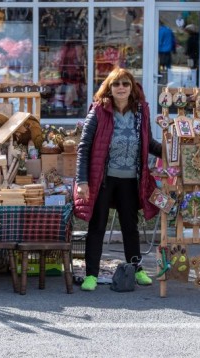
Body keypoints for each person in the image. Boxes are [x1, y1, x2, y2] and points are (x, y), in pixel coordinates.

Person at [74, 67, 162, 291]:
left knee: (130, 227)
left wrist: (172, 153)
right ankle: (91, 274)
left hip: (130, 179)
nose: (121, 88)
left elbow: (149, 143)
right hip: (103, 179)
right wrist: (82, 181)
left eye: (125, 84)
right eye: (116, 84)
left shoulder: (141, 111)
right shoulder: (99, 111)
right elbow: (83, 148)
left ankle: (136, 269)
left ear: (132, 88)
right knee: (97, 225)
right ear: (109, 88)